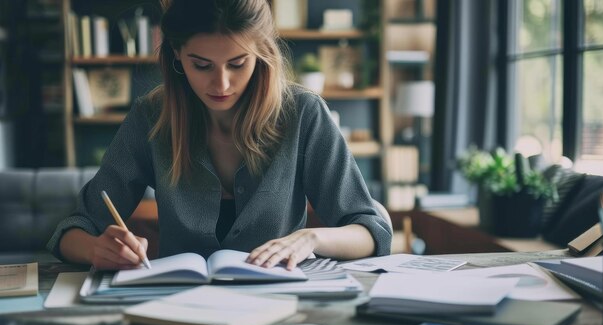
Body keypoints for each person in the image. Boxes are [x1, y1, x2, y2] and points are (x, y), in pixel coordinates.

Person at [47, 0, 392, 271]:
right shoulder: (151, 117)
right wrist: (97, 248)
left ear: (260, 54)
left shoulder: (303, 114)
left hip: (280, 307)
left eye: (238, 63)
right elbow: (75, 228)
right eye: (202, 65)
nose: (222, 84)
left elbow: (371, 230)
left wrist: (311, 238)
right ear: (178, 55)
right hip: (177, 309)